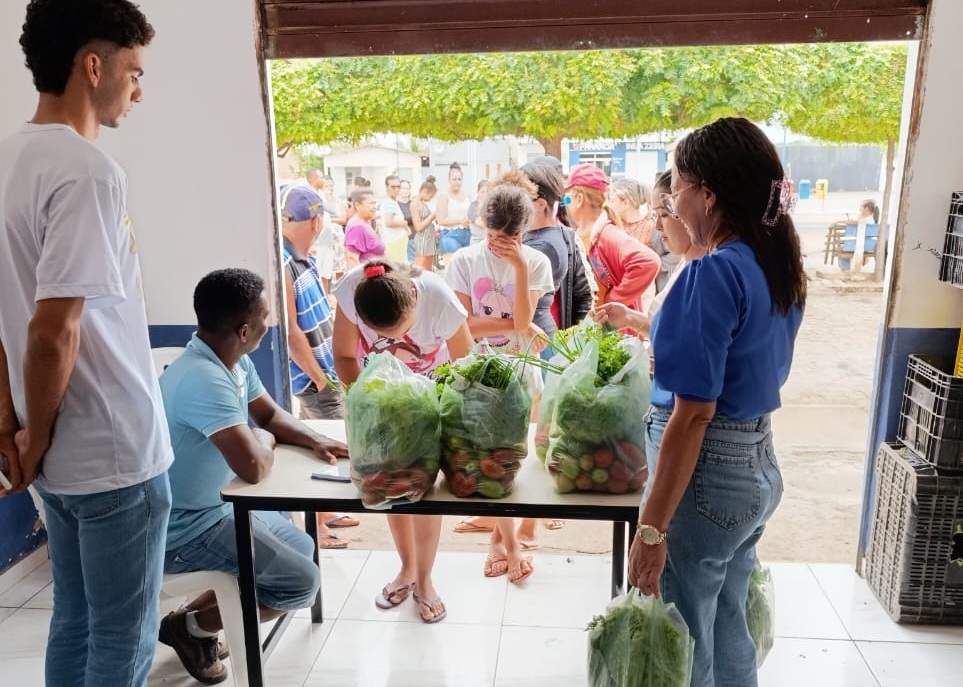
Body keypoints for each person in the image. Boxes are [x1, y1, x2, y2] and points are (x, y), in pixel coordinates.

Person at [0, 2, 172, 685]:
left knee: (72, 617)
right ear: (92, 65)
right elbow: (53, 327)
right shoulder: (87, 169)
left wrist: (13, 427)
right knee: (123, 638)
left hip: (59, 459)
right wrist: (34, 434)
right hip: (112, 448)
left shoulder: (6, 161)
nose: (139, 88)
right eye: (133, 70)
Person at [620, 117, 806, 687]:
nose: (672, 201)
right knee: (726, 616)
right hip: (755, 466)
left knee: (684, 633)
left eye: (676, 186)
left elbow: (694, 414)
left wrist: (650, 531)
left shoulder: (712, 273)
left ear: (708, 193)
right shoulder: (774, 264)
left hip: (705, 477)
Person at [160, 268, 348, 684]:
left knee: (301, 546)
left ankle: (195, 621)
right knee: (299, 583)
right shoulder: (204, 379)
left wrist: (314, 437)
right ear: (245, 329)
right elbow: (255, 465)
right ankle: (190, 628)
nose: (270, 322)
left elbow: (268, 414)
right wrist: (263, 438)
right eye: (265, 316)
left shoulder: (229, 360)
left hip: (215, 507)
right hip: (184, 529)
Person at [332, 260, 474, 623]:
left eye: (403, 332)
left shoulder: (439, 299)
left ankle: (425, 580)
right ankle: (407, 569)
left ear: (414, 297)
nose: (395, 343)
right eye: (384, 336)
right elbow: (346, 356)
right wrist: (369, 406)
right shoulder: (353, 290)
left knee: (423, 492)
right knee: (388, 488)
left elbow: (466, 365)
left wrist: (433, 418)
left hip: (430, 403)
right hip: (380, 403)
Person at [446, 179, 554, 582]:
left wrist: (519, 266)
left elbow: (526, 322)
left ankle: (500, 537)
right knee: (493, 460)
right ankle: (509, 548)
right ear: (481, 225)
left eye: (507, 238)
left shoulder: (536, 262)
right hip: (480, 376)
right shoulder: (463, 260)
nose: (497, 244)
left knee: (518, 463)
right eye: (492, 236)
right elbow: (468, 326)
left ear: (522, 232)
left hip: (524, 372)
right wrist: (515, 324)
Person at [280, 186, 357, 548]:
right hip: (317, 381)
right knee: (329, 447)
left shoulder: (302, 259)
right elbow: (293, 335)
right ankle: (318, 526)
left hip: (324, 373)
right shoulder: (284, 265)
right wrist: (321, 380)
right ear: (315, 220)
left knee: (331, 446)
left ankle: (327, 513)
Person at [563, 163, 661, 310]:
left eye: (567, 199)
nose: (565, 204)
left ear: (579, 198)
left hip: (614, 331)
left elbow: (649, 262)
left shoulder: (606, 234)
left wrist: (611, 304)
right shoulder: (585, 235)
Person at [435, 161, 472, 266]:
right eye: (454, 179)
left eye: (459, 179)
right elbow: (441, 220)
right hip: (450, 235)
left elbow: (471, 213)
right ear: (449, 180)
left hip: (468, 234)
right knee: (453, 266)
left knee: (467, 267)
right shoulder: (443, 196)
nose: (457, 182)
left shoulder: (467, 195)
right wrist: (460, 221)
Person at [343, 188, 386, 269]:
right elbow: (352, 261)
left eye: (375, 203)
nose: (375, 207)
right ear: (358, 205)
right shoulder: (357, 227)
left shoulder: (365, 223)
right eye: (371, 203)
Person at [608, 177, 656, 248]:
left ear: (626, 203)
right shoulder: (611, 224)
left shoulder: (652, 228)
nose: (608, 205)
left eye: (612, 201)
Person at [409, 176, 439, 271]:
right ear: (425, 191)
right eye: (430, 196)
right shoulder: (414, 204)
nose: (430, 199)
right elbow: (418, 227)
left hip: (429, 238)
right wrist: (432, 216)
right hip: (422, 240)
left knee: (428, 269)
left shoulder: (422, 204)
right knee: (420, 269)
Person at [467, 179, 489, 245]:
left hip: (490, 242)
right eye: (482, 191)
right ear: (477, 191)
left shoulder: (492, 205)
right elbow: (479, 222)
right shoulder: (473, 206)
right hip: (477, 242)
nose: (485, 194)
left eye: (487, 191)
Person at [398, 179, 415, 262]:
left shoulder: (414, 204)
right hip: (402, 240)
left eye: (407, 188)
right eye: (403, 188)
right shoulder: (395, 205)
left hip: (416, 239)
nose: (405, 190)